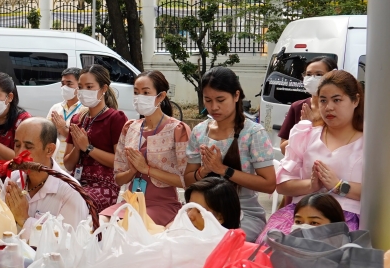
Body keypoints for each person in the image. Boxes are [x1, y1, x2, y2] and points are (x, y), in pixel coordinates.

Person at [259, 70, 364, 241]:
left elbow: (379, 193)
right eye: (323, 100)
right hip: (302, 216)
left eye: (337, 100)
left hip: (345, 220)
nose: (329, 107)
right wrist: (311, 186)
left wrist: (339, 186)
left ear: (355, 100)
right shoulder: (305, 135)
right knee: (271, 250)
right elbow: (282, 185)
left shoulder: (370, 144)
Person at [184, 67, 276, 242]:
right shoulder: (199, 132)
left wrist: (223, 169)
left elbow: (269, 184)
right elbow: (188, 181)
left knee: (222, 245)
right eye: (208, 100)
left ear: (236, 96)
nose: (213, 107)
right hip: (202, 212)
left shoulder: (253, 133)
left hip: (244, 212)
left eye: (220, 100)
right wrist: (204, 171)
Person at [114, 71, 191, 226]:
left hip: (161, 204)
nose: (139, 97)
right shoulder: (129, 128)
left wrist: (146, 169)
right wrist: (132, 171)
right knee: (100, 223)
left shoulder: (177, 130)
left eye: (146, 92)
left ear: (161, 96)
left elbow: (187, 181)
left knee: (132, 226)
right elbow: (117, 178)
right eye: (136, 92)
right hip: (130, 202)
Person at [2, 118, 90, 237]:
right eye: (17, 145)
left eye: (28, 147)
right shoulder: (13, 178)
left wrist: (24, 220)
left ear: (49, 150)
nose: (19, 154)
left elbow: (70, 243)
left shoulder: (70, 191)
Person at [64, 64, 128, 212]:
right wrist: (78, 148)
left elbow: (119, 162)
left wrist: (88, 148)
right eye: (80, 87)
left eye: (89, 87)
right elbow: (68, 164)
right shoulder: (77, 119)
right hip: (77, 181)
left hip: (104, 185)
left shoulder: (115, 118)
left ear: (104, 89)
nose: (83, 91)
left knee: (76, 202)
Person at [278, 56, 337, 154]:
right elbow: (284, 149)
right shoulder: (298, 107)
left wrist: (314, 128)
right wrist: (304, 130)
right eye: (308, 74)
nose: (312, 79)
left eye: (319, 74)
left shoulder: (338, 108)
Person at [47, 68, 87, 169]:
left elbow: (85, 142)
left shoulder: (85, 109)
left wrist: (64, 130)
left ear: (79, 85)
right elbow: (45, 135)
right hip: (54, 163)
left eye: (69, 84)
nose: (64, 87)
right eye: (62, 84)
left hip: (73, 166)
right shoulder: (56, 108)